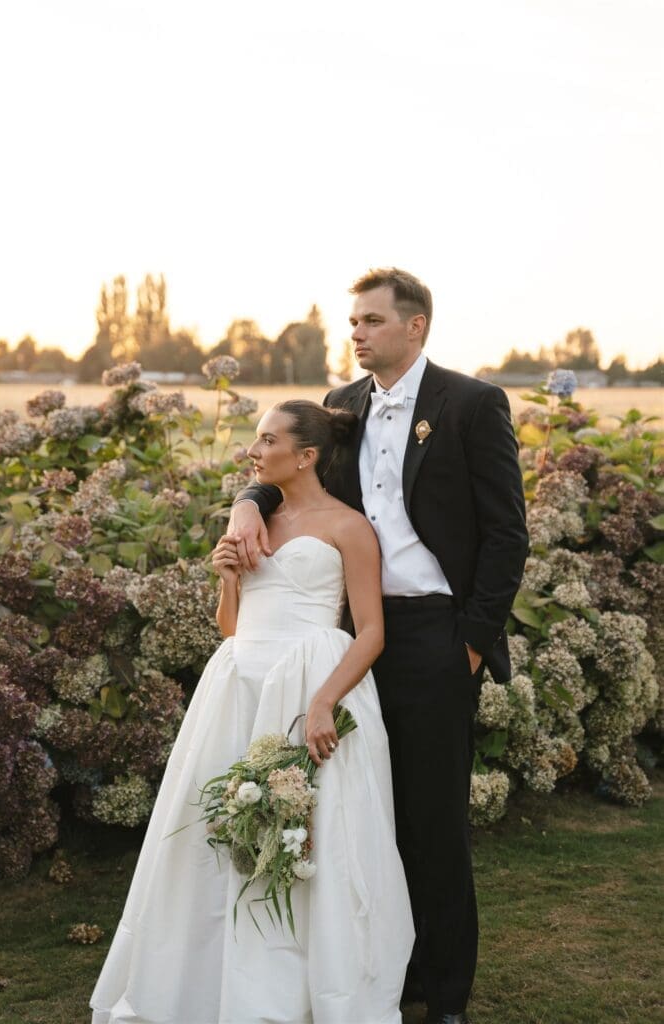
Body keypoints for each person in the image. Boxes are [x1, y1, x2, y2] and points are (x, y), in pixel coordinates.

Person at [230, 267, 529, 1024]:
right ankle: (386, 972)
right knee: (359, 813)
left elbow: (504, 533)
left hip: (434, 634)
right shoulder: (340, 407)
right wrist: (244, 504)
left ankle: (446, 993)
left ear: (414, 326)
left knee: (432, 820)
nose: (355, 332)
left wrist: (469, 643)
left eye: (369, 320)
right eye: (353, 322)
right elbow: (286, 472)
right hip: (347, 636)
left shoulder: (470, 403)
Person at [90, 399, 414, 1024]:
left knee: (314, 837)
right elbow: (230, 628)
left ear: (306, 456)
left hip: (308, 682)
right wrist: (228, 579)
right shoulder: (253, 522)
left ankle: (297, 991)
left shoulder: (349, 527)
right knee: (216, 833)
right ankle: (210, 985)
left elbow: (371, 632)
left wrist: (325, 701)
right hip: (239, 682)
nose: (252, 451)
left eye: (265, 441)